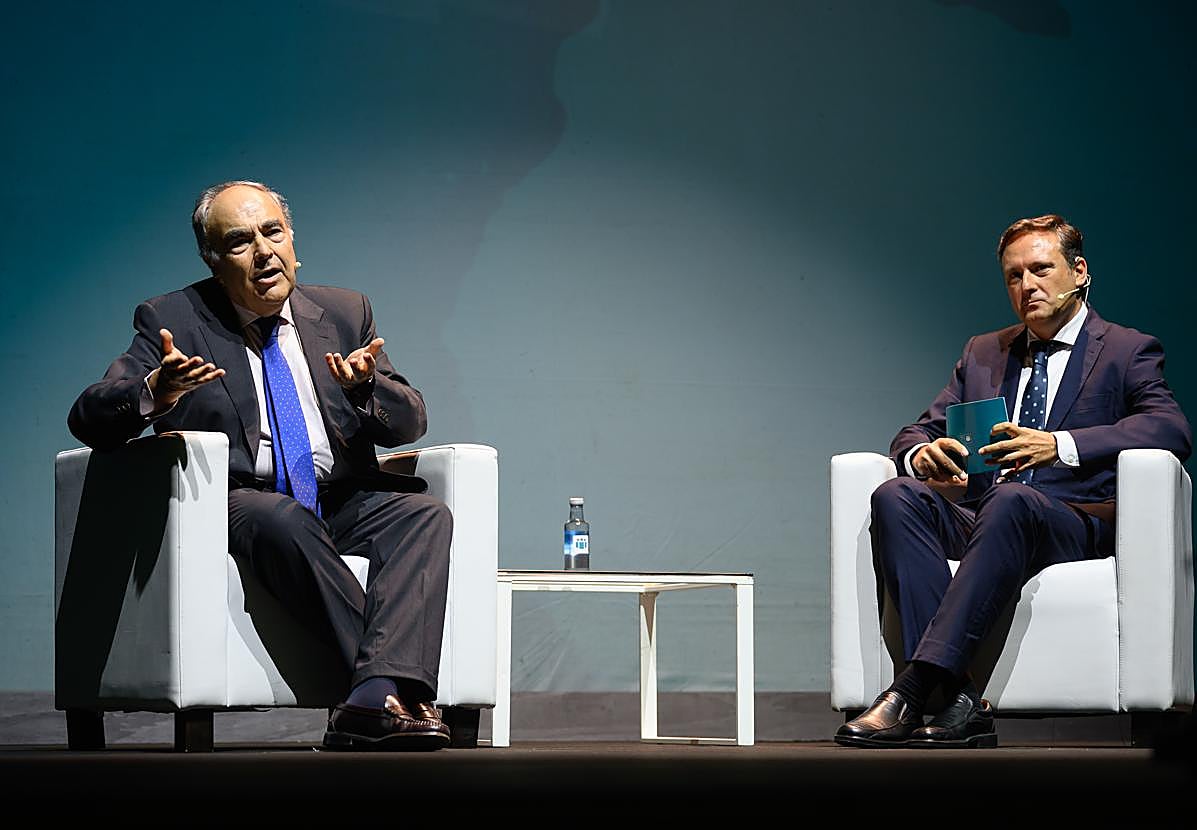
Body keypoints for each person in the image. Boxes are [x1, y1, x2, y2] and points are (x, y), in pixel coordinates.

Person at [68, 180, 454, 751]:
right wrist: (156, 390)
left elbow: (410, 424)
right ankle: (391, 693)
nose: (264, 252)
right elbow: (89, 416)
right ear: (213, 258)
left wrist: (366, 387)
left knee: (424, 515)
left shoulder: (346, 313)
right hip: (237, 500)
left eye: (273, 233)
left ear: (293, 240)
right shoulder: (173, 317)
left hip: (337, 499)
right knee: (281, 519)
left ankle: (371, 701)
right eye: (240, 242)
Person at [835, 214, 1192, 749]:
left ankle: (914, 687)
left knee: (1011, 499)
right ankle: (956, 699)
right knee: (895, 495)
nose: (1027, 286)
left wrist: (1061, 446)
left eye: (1041, 269)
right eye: (1013, 276)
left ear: (1079, 272)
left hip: (1072, 524)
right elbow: (916, 430)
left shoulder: (1124, 349)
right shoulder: (984, 352)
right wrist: (921, 454)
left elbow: (1169, 427)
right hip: (987, 520)